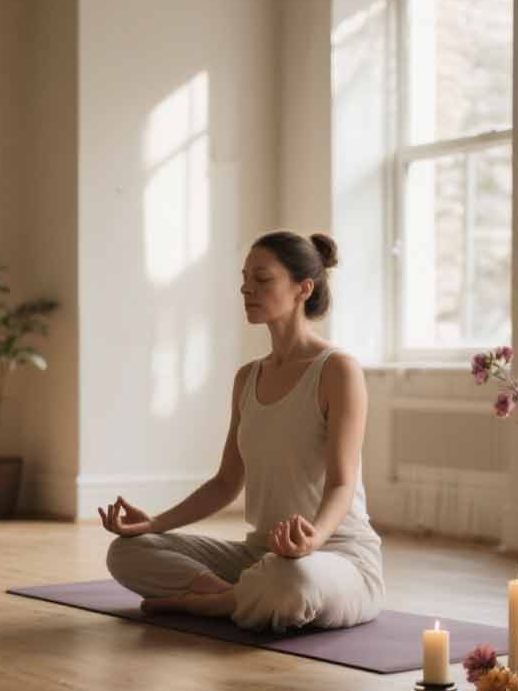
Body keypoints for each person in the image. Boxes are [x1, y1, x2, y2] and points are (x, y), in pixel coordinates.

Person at [101, 230, 384, 632]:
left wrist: (313, 541)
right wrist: (153, 525)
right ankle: (225, 595)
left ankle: (212, 604)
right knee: (126, 552)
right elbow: (225, 483)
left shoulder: (338, 370)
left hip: (337, 560)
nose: (247, 289)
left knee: (294, 581)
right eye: (245, 279)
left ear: (303, 289)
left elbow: (341, 483)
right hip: (263, 556)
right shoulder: (247, 378)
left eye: (262, 279)